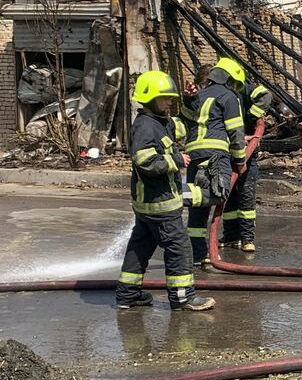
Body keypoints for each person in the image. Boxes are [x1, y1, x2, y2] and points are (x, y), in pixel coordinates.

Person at [116, 70, 213, 312]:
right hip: (160, 203)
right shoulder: (146, 127)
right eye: (166, 98)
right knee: (179, 247)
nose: (170, 102)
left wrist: (191, 100)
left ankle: (128, 295)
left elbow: (185, 125)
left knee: (140, 247)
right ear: (150, 99)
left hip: (148, 202)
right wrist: (177, 160)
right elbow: (146, 163)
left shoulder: (161, 122)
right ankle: (182, 298)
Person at [183, 58, 249, 265]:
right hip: (216, 153)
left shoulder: (198, 96)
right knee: (218, 193)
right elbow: (236, 131)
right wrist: (240, 159)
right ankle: (180, 196)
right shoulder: (229, 97)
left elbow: (186, 121)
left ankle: (199, 254)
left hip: (194, 154)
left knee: (198, 210)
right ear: (230, 80)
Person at [221, 83, 273, 253]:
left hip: (246, 154)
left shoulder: (245, 89)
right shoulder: (220, 97)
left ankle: (247, 238)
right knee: (228, 197)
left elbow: (266, 96)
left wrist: (251, 116)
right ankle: (231, 236)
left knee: (246, 195)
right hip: (227, 151)